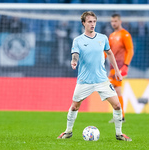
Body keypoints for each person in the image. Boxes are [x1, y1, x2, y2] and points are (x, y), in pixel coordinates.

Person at [57, 11, 132, 141]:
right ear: (83, 23)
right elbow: (75, 54)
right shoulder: (78, 40)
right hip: (84, 80)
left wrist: (118, 71)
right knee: (75, 106)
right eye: (90, 22)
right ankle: (68, 131)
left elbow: (109, 54)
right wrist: (74, 61)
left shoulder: (102, 38)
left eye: (94, 22)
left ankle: (119, 134)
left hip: (101, 79)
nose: (92, 24)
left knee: (117, 105)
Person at [107, 14, 134, 123]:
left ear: (120, 21)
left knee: (115, 90)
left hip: (120, 67)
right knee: (114, 91)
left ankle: (120, 116)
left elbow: (130, 50)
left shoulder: (125, 35)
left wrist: (126, 66)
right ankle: (119, 116)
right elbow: (107, 51)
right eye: (112, 21)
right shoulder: (112, 35)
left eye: (115, 21)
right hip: (112, 67)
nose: (113, 23)